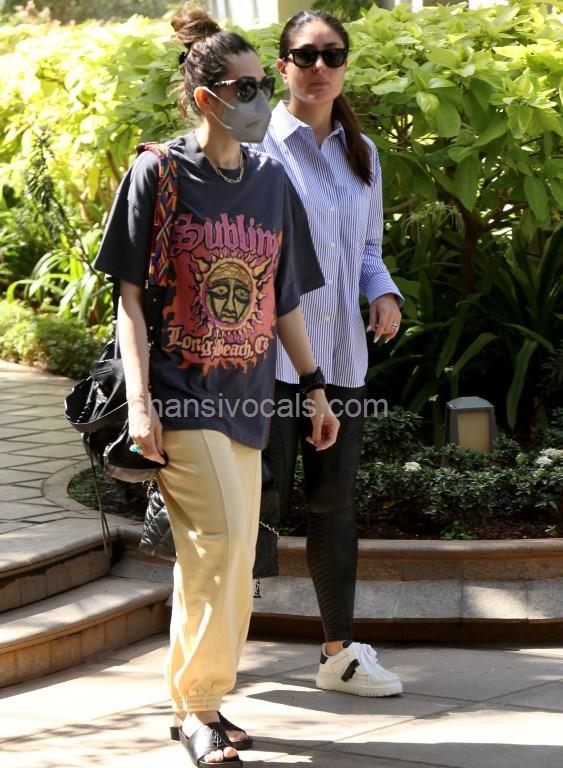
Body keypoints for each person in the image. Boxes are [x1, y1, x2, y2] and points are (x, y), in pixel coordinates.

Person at [94, 6, 339, 766]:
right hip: (180, 392)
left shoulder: (270, 181)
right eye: (246, 88)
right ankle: (201, 706)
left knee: (222, 558)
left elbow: (283, 300)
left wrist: (315, 387)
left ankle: (192, 703)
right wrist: (141, 404)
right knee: (223, 544)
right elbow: (130, 302)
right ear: (205, 98)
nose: (262, 99)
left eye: (264, 84)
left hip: (248, 398)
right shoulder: (158, 172)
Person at [255, 10, 404, 698]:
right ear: (281, 64)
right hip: (268, 362)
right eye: (305, 55)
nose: (319, 67)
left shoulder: (362, 153)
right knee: (253, 508)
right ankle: (211, 653)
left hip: (340, 360)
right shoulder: (257, 144)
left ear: (345, 65)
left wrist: (384, 293)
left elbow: (367, 249)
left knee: (334, 504)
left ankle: (340, 654)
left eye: (332, 55)